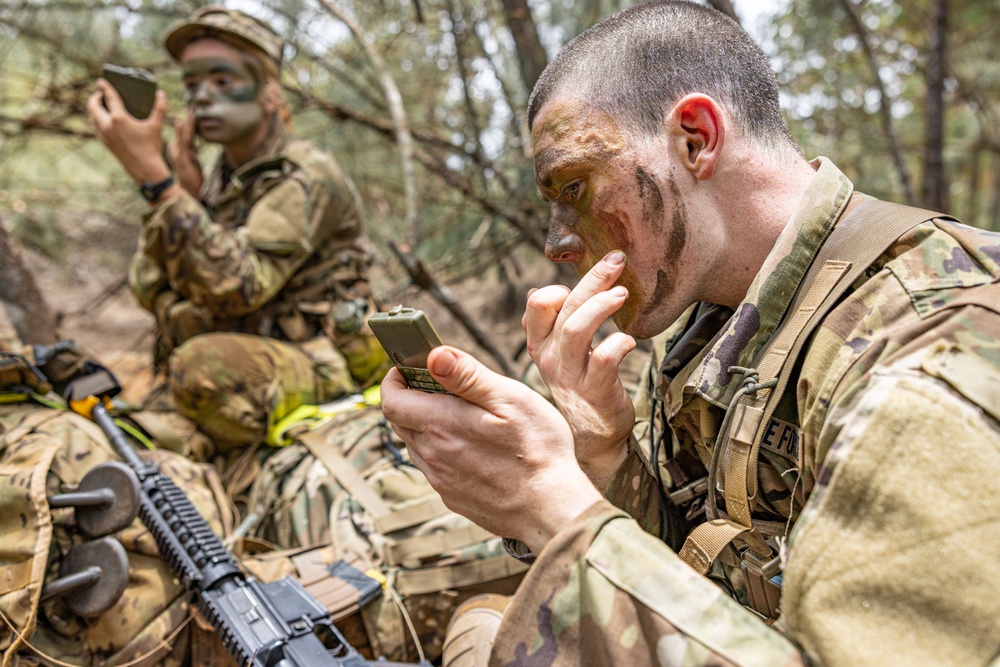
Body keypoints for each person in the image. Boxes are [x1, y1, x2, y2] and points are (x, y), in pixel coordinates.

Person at [381, 2, 1000, 665]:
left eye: (574, 188)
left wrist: (553, 509)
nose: (558, 243)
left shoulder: (927, 358)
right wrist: (604, 461)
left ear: (695, 139)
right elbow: (718, 585)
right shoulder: (723, 318)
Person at [86, 6, 388, 455]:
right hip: (259, 356)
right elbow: (146, 283)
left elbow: (237, 286)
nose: (202, 97)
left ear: (269, 94)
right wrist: (185, 195)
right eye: (191, 85)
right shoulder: (218, 179)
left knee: (200, 367)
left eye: (222, 81)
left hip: (325, 361)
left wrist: (159, 184)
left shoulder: (307, 174)